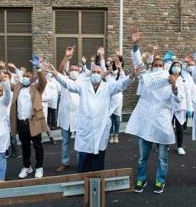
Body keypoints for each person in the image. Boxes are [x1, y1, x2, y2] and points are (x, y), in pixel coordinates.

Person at [47, 56, 144, 173]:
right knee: (83, 165)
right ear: (90, 73)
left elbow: (121, 85)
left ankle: (97, 187)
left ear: (102, 74)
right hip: (85, 131)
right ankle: (84, 185)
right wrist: (56, 74)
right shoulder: (83, 86)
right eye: (93, 72)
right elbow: (68, 84)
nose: (95, 74)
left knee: (98, 165)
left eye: (98, 72)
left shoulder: (108, 87)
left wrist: (131, 76)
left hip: (100, 130)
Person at [125, 28, 184, 194]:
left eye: (160, 65)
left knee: (162, 157)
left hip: (162, 124)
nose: (157, 67)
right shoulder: (146, 78)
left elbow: (178, 101)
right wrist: (135, 45)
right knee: (142, 157)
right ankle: (141, 179)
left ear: (164, 67)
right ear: (151, 67)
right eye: (155, 65)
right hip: (145, 123)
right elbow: (137, 63)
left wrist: (174, 87)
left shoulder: (170, 80)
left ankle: (160, 180)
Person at [10, 55, 48, 179]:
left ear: (32, 79)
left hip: (33, 122)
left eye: (28, 77)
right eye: (25, 76)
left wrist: (38, 67)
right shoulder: (17, 87)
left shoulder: (37, 88)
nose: (26, 78)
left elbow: (43, 81)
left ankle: (39, 167)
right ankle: (27, 166)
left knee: (38, 146)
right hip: (21, 123)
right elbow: (6, 83)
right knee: (25, 146)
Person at [55, 46, 80, 172]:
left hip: (79, 118)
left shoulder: (83, 81)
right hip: (66, 117)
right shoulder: (64, 80)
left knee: (79, 141)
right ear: (68, 72)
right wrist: (66, 57)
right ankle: (65, 162)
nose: (74, 71)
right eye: (72, 69)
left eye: (76, 69)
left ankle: (81, 162)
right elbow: (59, 71)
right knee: (65, 142)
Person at [169, 61, 192, 155]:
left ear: (181, 69)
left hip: (180, 107)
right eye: (175, 66)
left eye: (178, 66)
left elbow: (188, 95)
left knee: (179, 128)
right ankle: (165, 145)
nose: (176, 67)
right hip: (168, 107)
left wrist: (190, 107)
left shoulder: (184, 80)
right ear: (171, 67)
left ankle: (180, 147)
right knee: (167, 127)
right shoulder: (167, 78)